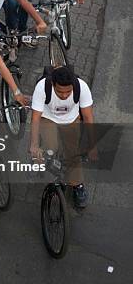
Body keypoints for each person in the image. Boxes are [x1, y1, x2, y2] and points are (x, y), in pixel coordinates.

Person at [29, 66, 96, 208]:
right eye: (60, 91)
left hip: (72, 119)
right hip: (48, 119)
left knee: (73, 153)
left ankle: (77, 185)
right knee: (51, 148)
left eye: (68, 92)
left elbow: (88, 117)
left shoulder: (81, 87)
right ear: (53, 84)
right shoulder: (42, 88)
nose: (64, 95)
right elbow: (35, 118)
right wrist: (34, 145)